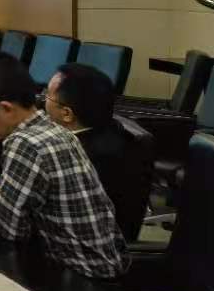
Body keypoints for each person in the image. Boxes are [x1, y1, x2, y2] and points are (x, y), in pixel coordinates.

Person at [0, 52, 126, 279]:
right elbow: (10, 210)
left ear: (6, 109)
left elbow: (10, 229)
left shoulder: (25, 143)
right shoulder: (51, 129)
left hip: (80, 280)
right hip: (94, 269)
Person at [43, 62, 148, 241]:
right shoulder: (106, 130)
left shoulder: (81, 159)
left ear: (67, 114)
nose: (42, 100)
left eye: (47, 95)